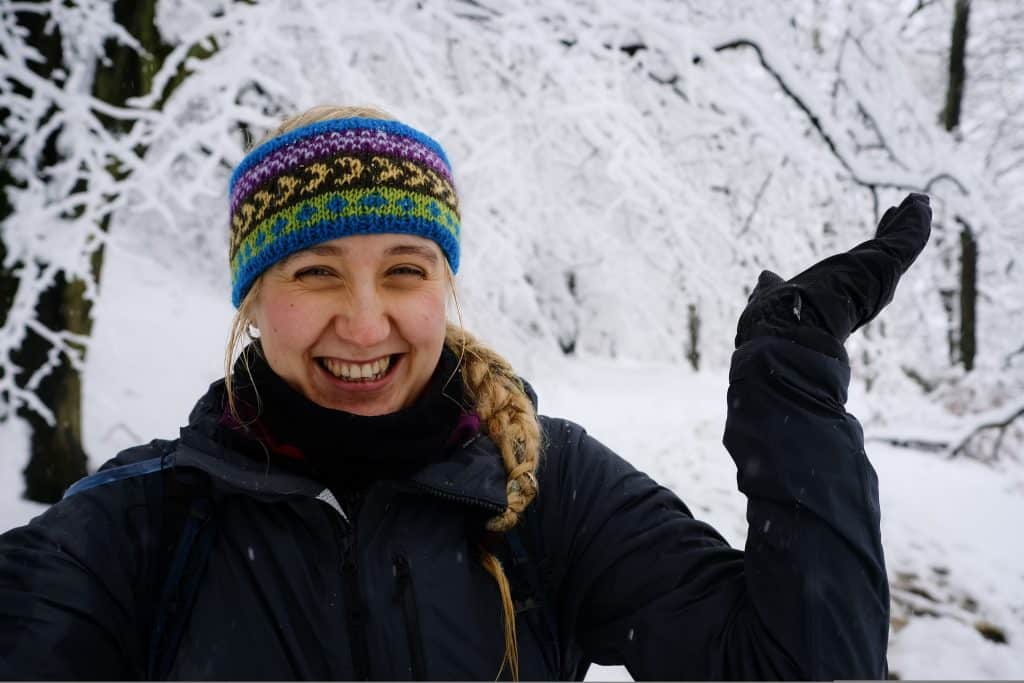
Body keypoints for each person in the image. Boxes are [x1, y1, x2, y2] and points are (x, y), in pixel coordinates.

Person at [0, 105, 931, 681]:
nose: (365, 325)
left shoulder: (549, 488)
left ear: (444, 285)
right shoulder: (141, 524)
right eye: (316, 273)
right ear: (252, 301)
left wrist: (792, 390)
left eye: (404, 269)